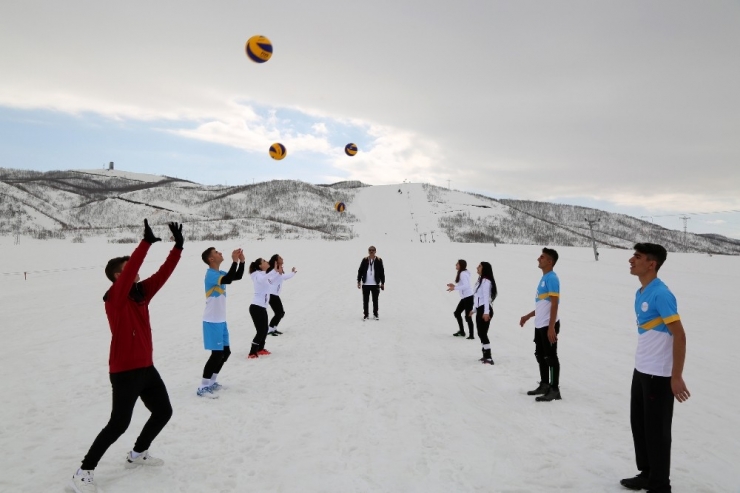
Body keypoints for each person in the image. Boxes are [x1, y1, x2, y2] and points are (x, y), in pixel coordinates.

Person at [71, 219, 183, 493]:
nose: (135, 272)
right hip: (125, 371)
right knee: (118, 424)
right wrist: (145, 244)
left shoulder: (140, 293)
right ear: (118, 277)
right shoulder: (115, 297)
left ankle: (137, 454)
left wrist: (177, 248)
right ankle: (83, 471)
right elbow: (133, 266)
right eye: (129, 270)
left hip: (147, 368)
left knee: (163, 411)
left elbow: (162, 274)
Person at [620, 243, 690, 493]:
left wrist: (676, 376)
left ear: (652, 264)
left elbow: (679, 336)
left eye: (637, 257)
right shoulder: (642, 291)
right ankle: (647, 474)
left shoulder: (661, 294)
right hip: (642, 369)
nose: (631, 260)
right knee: (640, 425)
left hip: (659, 375)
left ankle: (660, 485)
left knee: (657, 431)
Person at [197, 247, 245, 398]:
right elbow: (229, 279)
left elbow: (236, 276)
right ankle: (203, 387)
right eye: (217, 253)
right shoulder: (211, 275)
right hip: (212, 320)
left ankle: (212, 382)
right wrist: (234, 261)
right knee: (217, 354)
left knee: (226, 353)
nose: (220, 253)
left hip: (221, 320)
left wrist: (241, 262)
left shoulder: (219, 273)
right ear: (211, 259)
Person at [519, 247, 562, 402]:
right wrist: (528, 316)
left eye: (542, 257)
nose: (539, 259)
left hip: (548, 325)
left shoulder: (552, 278)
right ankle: (544, 384)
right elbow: (542, 305)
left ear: (550, 261)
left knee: (551, 357)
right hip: (540, 324)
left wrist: (551, 327)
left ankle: (554, 389)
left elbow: (555, 304)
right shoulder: (544, 278)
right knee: (540, 355)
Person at [247, 258, 280, 358]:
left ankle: (260, 349)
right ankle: (252, 352)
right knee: (260, 331)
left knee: (265, 330)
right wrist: (273, 271)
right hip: (256, 307)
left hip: (262, 307)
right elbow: (263, 279)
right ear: (260, 266)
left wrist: (277, 272)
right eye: (264, 261)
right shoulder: (257, 275)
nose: (266, 262)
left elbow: (270, 281)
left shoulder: (263, 275)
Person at [469, 262, 498, 364]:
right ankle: (485, 355)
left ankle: (488, 357)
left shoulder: (486, 282)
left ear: (484, 269)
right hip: (480, 309)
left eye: (480, 266)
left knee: (483, 333)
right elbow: (477, 297)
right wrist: (474, 310)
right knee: (481, 333)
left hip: (485, 310)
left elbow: (486, 298)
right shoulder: (480, 280)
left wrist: (486, 313)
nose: (477, 267)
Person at [266, 254, 297, 337]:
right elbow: (270, 280)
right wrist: (278, 272)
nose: (282, 258)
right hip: (271, 294)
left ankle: (273, 328)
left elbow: (284, 277)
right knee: (279, 313)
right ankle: (270, 329)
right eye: (280, 258)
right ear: (276, 261)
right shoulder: (273, 270)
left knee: (281, 313)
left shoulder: (279, 270)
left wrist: (293, 273)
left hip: (275, 295)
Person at [446, 259, 475, 339]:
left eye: (457, 264)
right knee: (457, 313)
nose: (456, 265)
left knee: (467, 316)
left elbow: (466, 286)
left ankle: (471, 335)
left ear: (461, 265)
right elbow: (463, 285)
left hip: (468, 297)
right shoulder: (463, 273)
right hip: (465, 297)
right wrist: (454, 286)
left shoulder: (463, 274)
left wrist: (454, 287)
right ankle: (462, 331)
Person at [357, 245, 385, 320]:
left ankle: (375, 314)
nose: (371, 251)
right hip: (366, 284)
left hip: (375, 284)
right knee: (365, 300)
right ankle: (366, 315)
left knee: (375, 300)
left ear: (375, 251)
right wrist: (359, 281)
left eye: (373, 250)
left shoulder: (379, 260)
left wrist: (382, 283)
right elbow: (360, 271)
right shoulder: (365, 260)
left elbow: (382, 272)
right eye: (370, 250)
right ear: (368, 251)